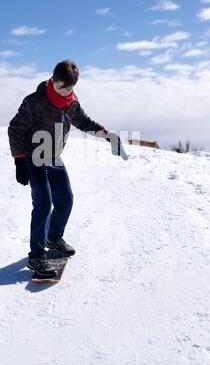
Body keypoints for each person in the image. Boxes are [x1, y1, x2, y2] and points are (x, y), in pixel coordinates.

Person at [8, 59, 127, 278]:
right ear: (53, 80)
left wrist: (105, 134)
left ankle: (53, 238)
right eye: (61, 87)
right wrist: (19, 160)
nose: (64, 92)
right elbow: (15, 129)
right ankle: (36, 256)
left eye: (69, 88)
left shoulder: (71, 102)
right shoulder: (36, 101)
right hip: (33, 158)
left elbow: (83, 121)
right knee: (43, 204)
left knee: (65, 200)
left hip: (53, 157)